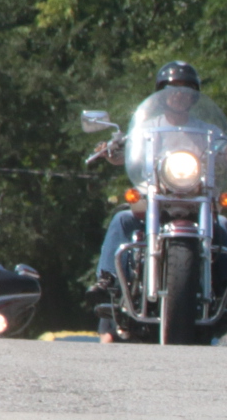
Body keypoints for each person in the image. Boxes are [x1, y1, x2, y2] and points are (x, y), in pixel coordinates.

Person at [91, 62, 220, 298]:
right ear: (161, 94)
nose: (179, 94)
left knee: (224, 225)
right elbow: (127, 154)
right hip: (154, 198)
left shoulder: (208, 131)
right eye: (172, 88)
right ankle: (108, 279)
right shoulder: (145, 129)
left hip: (195, 199)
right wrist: (112, 151)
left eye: (186, 89)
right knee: (122, 219)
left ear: (195, 96)